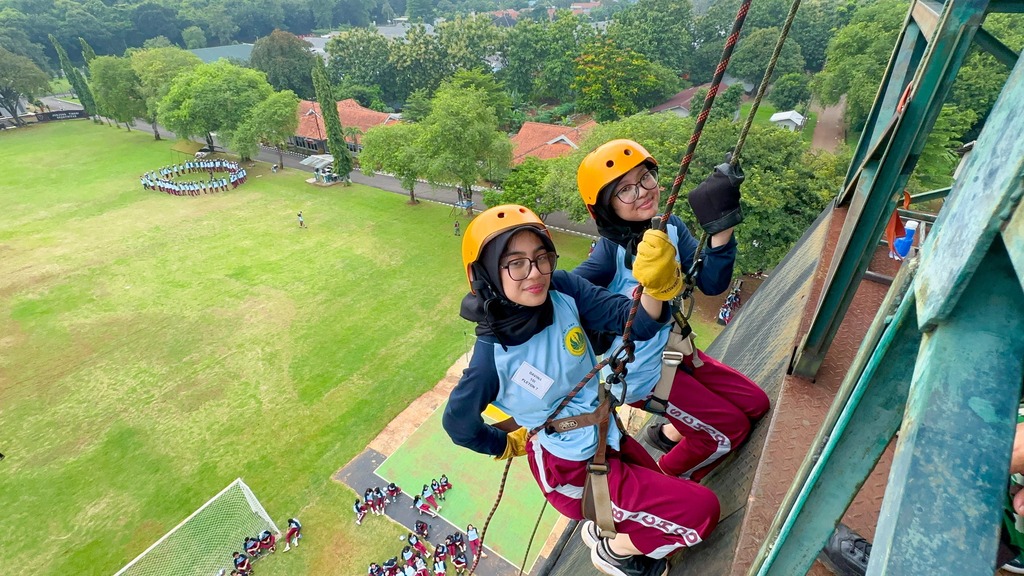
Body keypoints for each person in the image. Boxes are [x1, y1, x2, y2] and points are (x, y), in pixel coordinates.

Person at [443, 205, 720, 576]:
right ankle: (617, 552)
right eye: (516, 264)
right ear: (485, 275)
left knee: (667, 490)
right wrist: (504, 443)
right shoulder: (491, 361)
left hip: (609, 438)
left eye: (542, 258)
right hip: (572, 471)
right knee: (702, 511)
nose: (536, 273)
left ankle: (615, 535)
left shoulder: (562, 291)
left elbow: (631, 322)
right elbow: (458, 423)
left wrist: (656, 287)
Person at [573, 139, 770, 482]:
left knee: (756, 404)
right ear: (606, 208)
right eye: (626, 190)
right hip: (643, 376)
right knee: (728, 432)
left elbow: (710, 283)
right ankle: (665, 479)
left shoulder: (670, 227)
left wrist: (721, 226)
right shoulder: (611, 254)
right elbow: (568, 298)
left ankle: (669, 433)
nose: (643, 192)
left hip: (676, 350)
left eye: (645, 178)